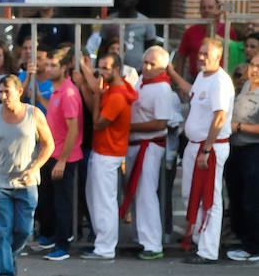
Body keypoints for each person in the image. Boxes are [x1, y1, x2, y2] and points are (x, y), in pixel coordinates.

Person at [0, 75, 54, 276]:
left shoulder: (34, 114)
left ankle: (9, 258)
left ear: (19, 92)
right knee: (2, 230)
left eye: (7, 91)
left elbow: (49, 145)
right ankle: (4, 275)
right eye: (0, 92)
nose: (3, 96)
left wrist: (35, 167)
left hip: (26, 181)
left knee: (24, 229)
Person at [167, 37, 235, 264]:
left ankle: (207, 251)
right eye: (200, 53)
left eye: (206, 54)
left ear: (218, 57)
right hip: (195, 145)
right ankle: (198, 239)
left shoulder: (220, 82)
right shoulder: (203, 77)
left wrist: (206, 150)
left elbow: (220, 117)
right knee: (190, 194)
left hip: (210, 147)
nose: (201, 57)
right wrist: (173, 74)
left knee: (210, 199)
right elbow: (192, 93)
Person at [78, 52, 138, 260]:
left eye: (105, 68)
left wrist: (97, 98)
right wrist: (87, 71)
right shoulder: (115, 90)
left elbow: (98, 123)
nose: (101, 72)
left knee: (104, 201)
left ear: (117, 70)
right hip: (105, 151)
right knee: (99, 199)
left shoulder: (116, 95)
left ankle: (105, 248)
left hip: (107, 152)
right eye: (100, 68)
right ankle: (102, 245)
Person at [119, 46, 175, 260]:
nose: (146, 67)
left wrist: (130, 128)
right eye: (145, 62)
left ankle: (152, 243)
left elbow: (161, 122)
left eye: (152, 64)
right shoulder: (143, 80)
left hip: (149, 146)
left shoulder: (162, 88)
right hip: (135, 144)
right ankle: (140, 238)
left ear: (163, 68)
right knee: (135, 191)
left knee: (145, 192)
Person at [29, 48, 83, 261]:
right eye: (48, 65)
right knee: (48, 199)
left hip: (64, 157)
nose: (49, 69)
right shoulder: (57, 91)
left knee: (62, 202)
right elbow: (48, 106)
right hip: (52, 154)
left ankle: (62, 245)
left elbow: (73, 130)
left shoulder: (69, 93)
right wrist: (33, 81)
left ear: (64, 68)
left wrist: (62, 161)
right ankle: (50, 237)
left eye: (54, 66)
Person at [224, 54, 259, 261]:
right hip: (235, 149)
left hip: (253, 150)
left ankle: (253, 246)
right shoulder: (247, 86)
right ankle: (243, 241)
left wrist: (237, 127)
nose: (254, 69)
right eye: (253, 65)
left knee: (251, 200)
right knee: (236, 198)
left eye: (258, 66)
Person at [173, 0, 237, 81]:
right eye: (203, 8)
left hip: (219, 78)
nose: (206, 10)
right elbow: (181, 56)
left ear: (218, 9)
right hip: (195, 78)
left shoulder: (228, 30)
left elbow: (235, 53)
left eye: (210, 7)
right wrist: (178, 81)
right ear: (199, 10)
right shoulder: (190, 31)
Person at [100, 0, 157, 71]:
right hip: (112, 70)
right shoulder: (110, 20)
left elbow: (150, 48)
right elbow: (102, 46)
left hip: (137, 71)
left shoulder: (146, 22)